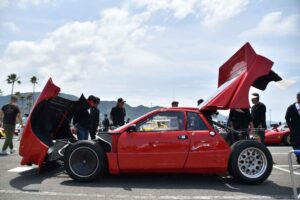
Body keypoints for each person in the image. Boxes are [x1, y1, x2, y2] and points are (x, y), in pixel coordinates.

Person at [285, 92, 300, 164]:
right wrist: (291, 127)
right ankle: (299, 157)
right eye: (299, 97)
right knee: (296, 143)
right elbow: (287, 117)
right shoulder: (291, 107)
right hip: (295, 129)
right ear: (297, 98)